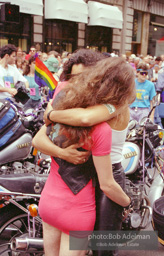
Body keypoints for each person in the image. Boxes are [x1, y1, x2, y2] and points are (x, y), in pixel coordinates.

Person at [32, 57, 135, 256]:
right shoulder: (98, 119)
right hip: (99, 179)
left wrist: (52, 114)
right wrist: (127, 202)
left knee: (101, 246)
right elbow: (86, 119)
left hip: (79, 179)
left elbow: (83, 118)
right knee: (102, 248)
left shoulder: (112, 108)